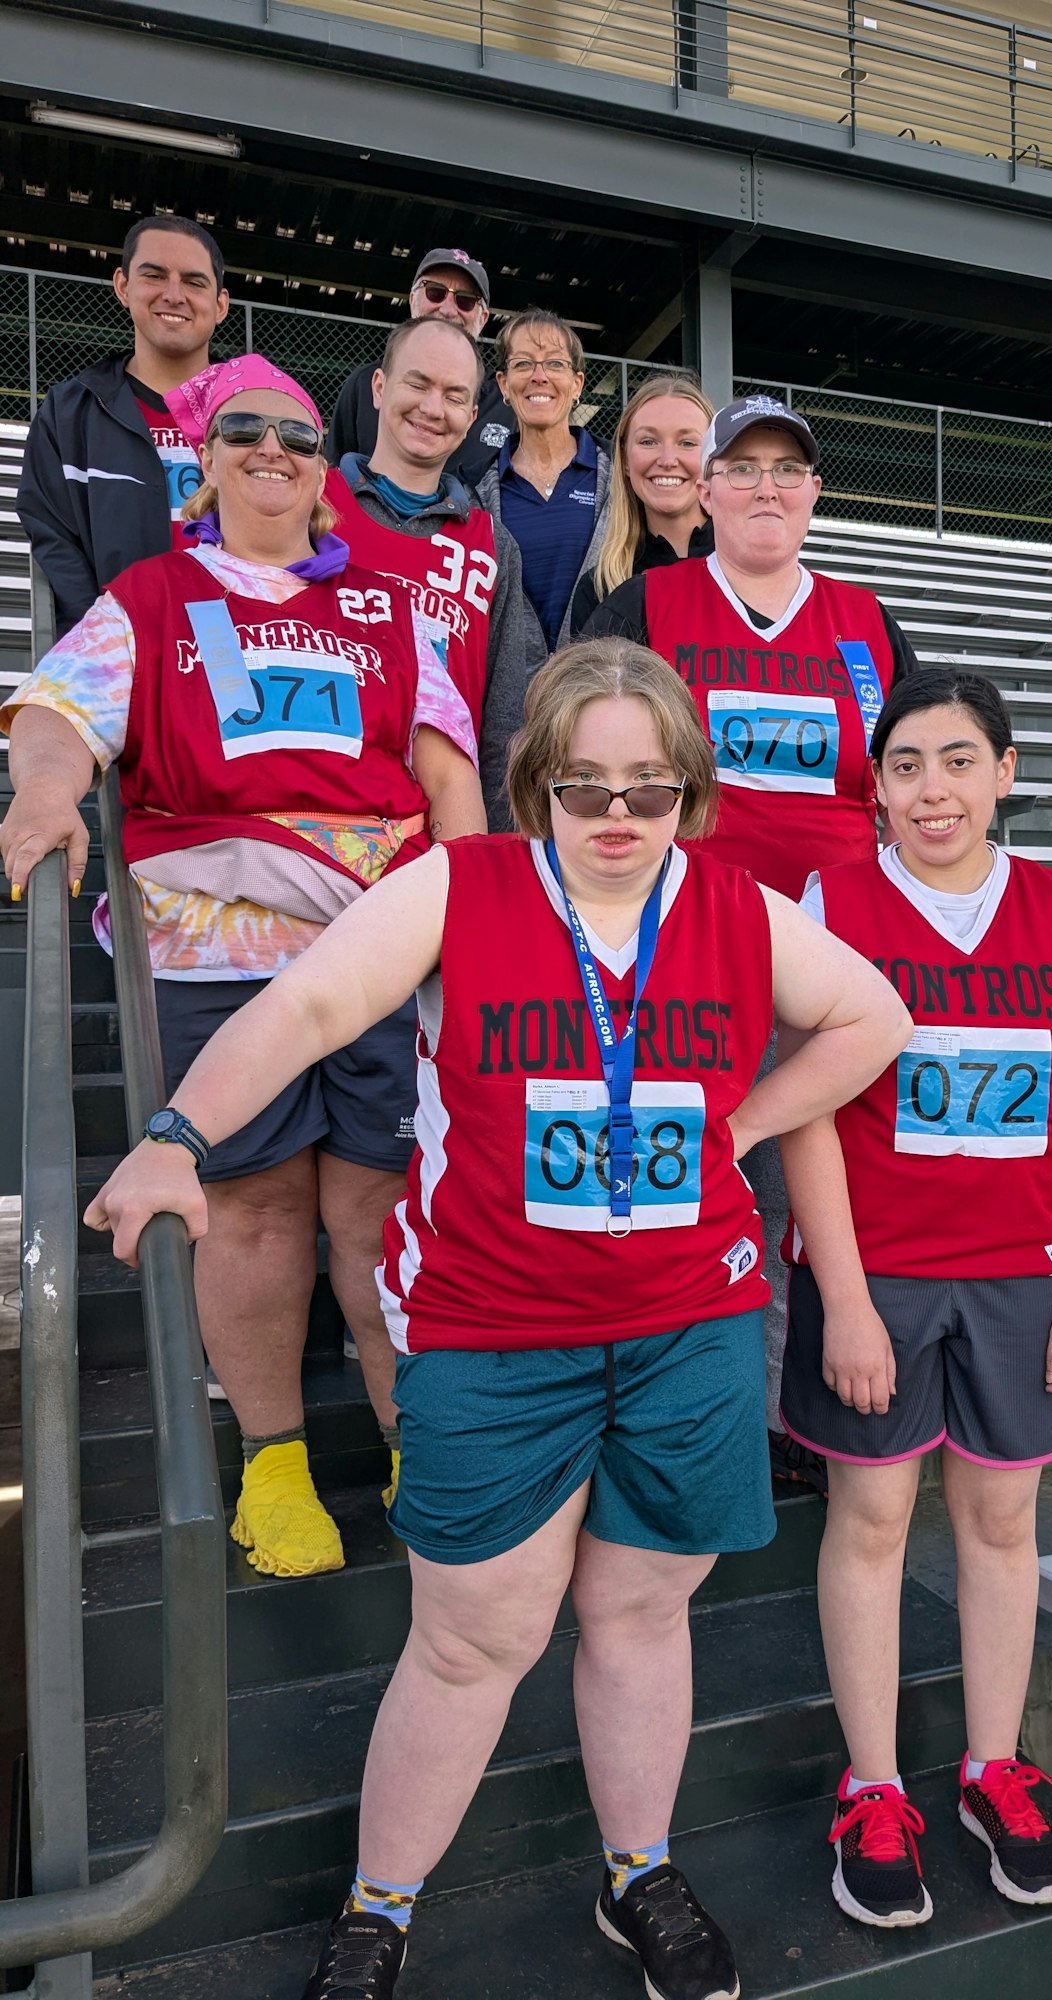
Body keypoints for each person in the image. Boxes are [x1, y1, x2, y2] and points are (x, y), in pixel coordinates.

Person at [82, 637, 912, 2000]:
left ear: (691, 798)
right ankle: (381, 1908)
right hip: (493, 1326)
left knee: (644, 1613)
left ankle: (636, 1870)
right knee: (474, 1635)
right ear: (538, 790)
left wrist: (737, 1125)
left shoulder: (736, 905)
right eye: (586, 789)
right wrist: (178, 1130)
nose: (619, 818)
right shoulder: (459, 888)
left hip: (687, 1321)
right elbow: (309, 1004)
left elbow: (870, 1016)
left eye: (650, 790)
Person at [1, 355, 486, 1582]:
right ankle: (273, 1458)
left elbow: (446, 776)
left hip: (382, 947)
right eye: (246, 432)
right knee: (259, 1210)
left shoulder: (389, 600)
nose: (275, 450)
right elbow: (63, 711)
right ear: (205, 459)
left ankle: (411, 1443)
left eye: (302, 438)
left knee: (384, 1214)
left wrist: (481, 910)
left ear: (329, 471)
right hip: (214, 946)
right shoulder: (152, 594)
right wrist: (49, 790)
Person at [779, 669, 1052, 1928]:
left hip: (1015, 1274)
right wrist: (851, 1298)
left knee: (1001, 1521)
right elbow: (809, 1109)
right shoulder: (833, 899)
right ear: (876, 782)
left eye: (961, 759)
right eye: (909, 763)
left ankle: (992, 1764)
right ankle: (871, 1785)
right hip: (876, 1272)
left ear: (1006, 770)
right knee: (871, 1518)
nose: (935, 787)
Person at [584, 392, 920, 1486]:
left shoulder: (867, 620)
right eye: (745, 466)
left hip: (831, 959)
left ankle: (790, 1413)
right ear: (706, 487)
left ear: (815, 492)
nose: (767, 485)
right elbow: (580, 756)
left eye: (789, 469)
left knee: (816, 1193)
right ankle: (665, 1409)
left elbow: (909, 784)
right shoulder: (650, 603)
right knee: (688, 1183)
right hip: (680, 951)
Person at [323, 315, 529, 814]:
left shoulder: (492, 546)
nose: (433, 409)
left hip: (438, 833)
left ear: (472, 414)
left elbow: (502, 725)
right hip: (316, 819)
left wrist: (493, 853)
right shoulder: (310, 507)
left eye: (455, 396)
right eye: (418, 384)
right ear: (379, 387)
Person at [18, 214, 231, 634]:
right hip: (121, 650)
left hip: (236, 655)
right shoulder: (70, 412)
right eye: (154, 275)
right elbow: (55, 541)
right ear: (123, 286)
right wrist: (104, 642)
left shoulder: (255, 410)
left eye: (194, 282)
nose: (174, 295)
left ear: (221, 304)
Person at [476, 307, 613, 658]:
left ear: (577, 384)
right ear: (504, 384)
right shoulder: (479, 494)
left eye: (555, 363)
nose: (540, 376)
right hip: (514, 697)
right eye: (523, 364)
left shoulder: (617, 477)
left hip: (598, 690)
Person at [326, 249, 508, 489]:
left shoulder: (507, 405)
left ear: (483, 318)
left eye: (465, 300)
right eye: (435, 292)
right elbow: (332, 473)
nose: (447, 309)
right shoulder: (362, 384)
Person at [565, 374, 715, 634]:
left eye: (687, 443)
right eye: (648, 441)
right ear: (624, 459)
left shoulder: (751, 573)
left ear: (714, 459)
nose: (667, 459)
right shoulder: (599, 588)